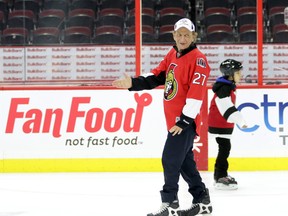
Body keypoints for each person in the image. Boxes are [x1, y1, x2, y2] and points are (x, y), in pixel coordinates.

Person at [112, 18, 212, 216]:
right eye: (179, 34)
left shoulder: (198, 59)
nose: (183, 38)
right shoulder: (172, 54)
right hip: (175, 121)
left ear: (194, 36)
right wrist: (133, 82)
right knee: (184, 163)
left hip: (183, 122)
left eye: (187, 35)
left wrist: (184, 120)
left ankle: (170, 204)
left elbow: (196, 92)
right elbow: (157, 76)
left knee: (169, 160)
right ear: (174, 36)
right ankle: (203, 201)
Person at [208, 59, 247, 190]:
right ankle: (220, 176)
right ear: (231, 74)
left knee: (224, 148)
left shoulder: (226, 86)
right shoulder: (223, 88)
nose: (241, 75)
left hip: (221, 122)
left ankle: (220, 175)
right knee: (224, 148)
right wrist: (241, 120)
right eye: (238, 72)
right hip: (219, 123)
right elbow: (226, 107)